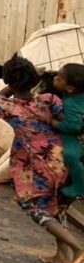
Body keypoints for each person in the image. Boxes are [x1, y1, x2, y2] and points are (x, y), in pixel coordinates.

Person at [0, 55, 84, 263]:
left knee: (31, 206)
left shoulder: (9, 107)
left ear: (9, 81)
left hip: (35, 165)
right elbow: (66, 122)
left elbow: (0, 96)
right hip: (61, 158)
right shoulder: (49, 100)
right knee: (58, 205)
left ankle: (77, 247)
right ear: (34, 79)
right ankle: (61, 256)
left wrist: (15, 81)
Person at [52, 64, 84, 200]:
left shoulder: (71, 103)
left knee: (70, 156)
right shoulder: (77, 96)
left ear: (70, 88)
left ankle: (79, 187)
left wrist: (54, 123)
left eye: (59, 78)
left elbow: (73, 126)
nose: (54, 78)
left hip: (76, 136)